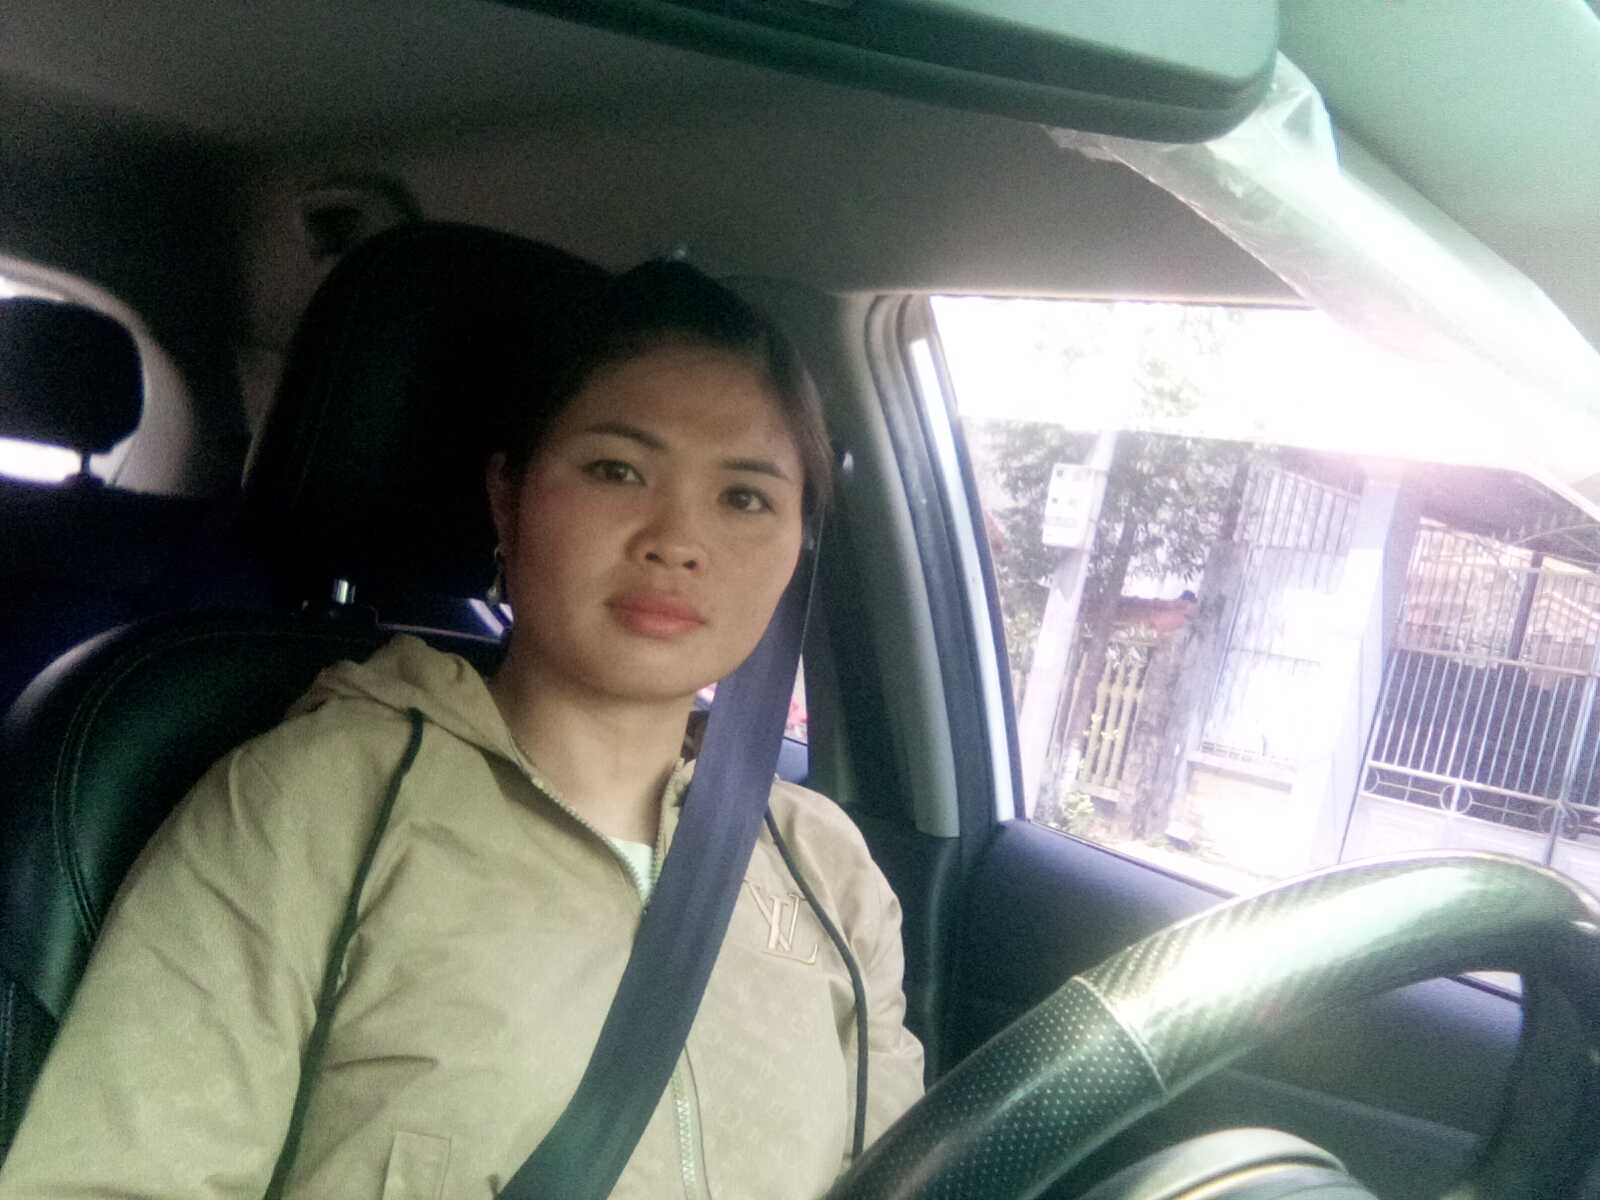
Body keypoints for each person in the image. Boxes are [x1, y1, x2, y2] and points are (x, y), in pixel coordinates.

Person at [0, 262, 925, 1198]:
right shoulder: (313, 805)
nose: (677, 539)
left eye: (745, 497)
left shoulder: (829, 872)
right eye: (616, 470)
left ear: (799, 542)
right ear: (507, 497)